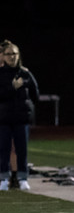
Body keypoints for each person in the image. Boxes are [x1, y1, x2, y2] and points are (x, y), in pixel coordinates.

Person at [0, 42, 39, 191]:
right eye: (8, 54)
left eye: (14, 54)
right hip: (3, 119)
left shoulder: (25, 73)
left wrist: (28, 107)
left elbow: (35, 93)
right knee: (4, 149)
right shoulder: (1, 73)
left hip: (21, 119)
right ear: (3, 56)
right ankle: (4, 178)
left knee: (22, 150)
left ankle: (23, 178)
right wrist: (13, 88)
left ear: (19, 55)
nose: (11, 57)